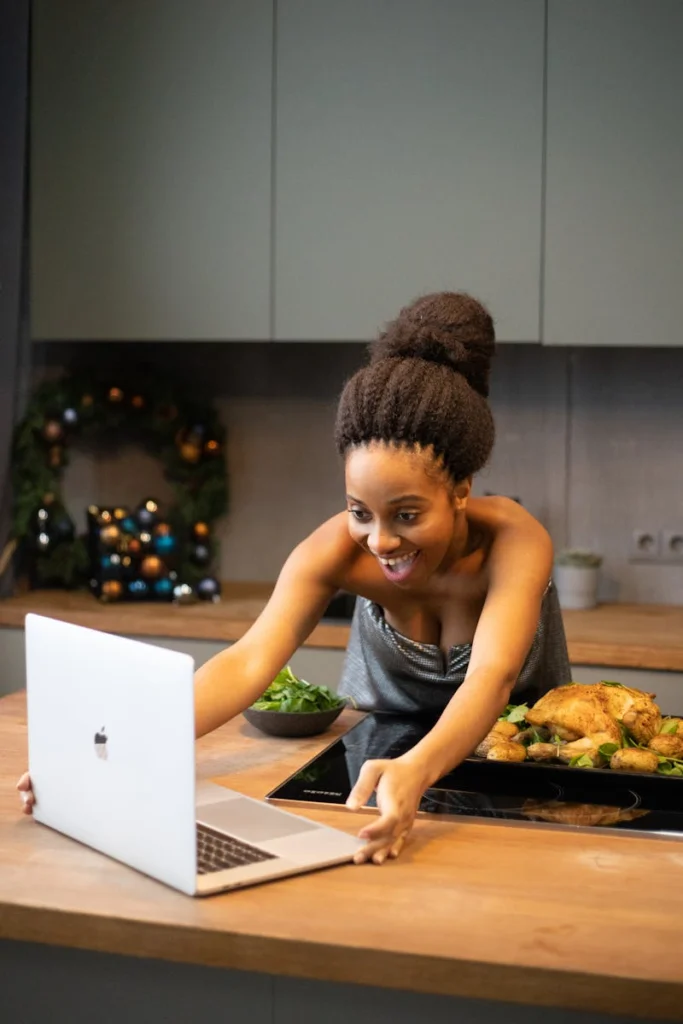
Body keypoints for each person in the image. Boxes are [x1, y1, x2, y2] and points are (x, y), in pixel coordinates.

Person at [18, 291, 571, 865]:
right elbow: (249, 659)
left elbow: (491, 678)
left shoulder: (514, 540)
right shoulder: (333, 550)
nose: (380, 541)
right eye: (360, 511)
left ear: (461, 490)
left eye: (407, 515)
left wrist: (418, 768)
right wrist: (122, 749)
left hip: (539, 774)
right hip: (373, 781)